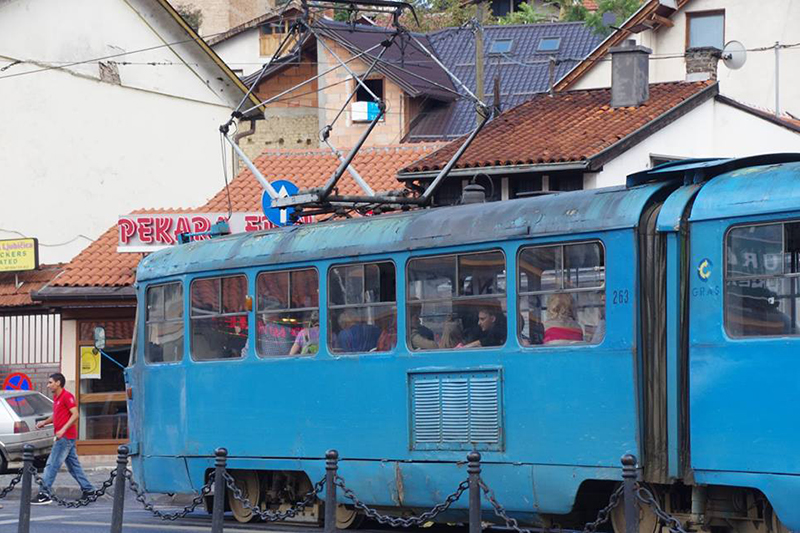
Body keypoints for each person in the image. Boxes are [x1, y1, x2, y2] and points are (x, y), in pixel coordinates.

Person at [32, 373, 95, 505]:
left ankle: (44, 493)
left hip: (65, 437)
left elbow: (75, 414)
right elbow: (57, 415)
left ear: (58, 383)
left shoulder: (67, 396)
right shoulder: (57, 397)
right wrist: (45, 422)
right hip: (65, 437)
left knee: (51, 464)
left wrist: (63, 429)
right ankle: (89, 490)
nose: (48, 385)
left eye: (50, 382)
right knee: (74, 468)